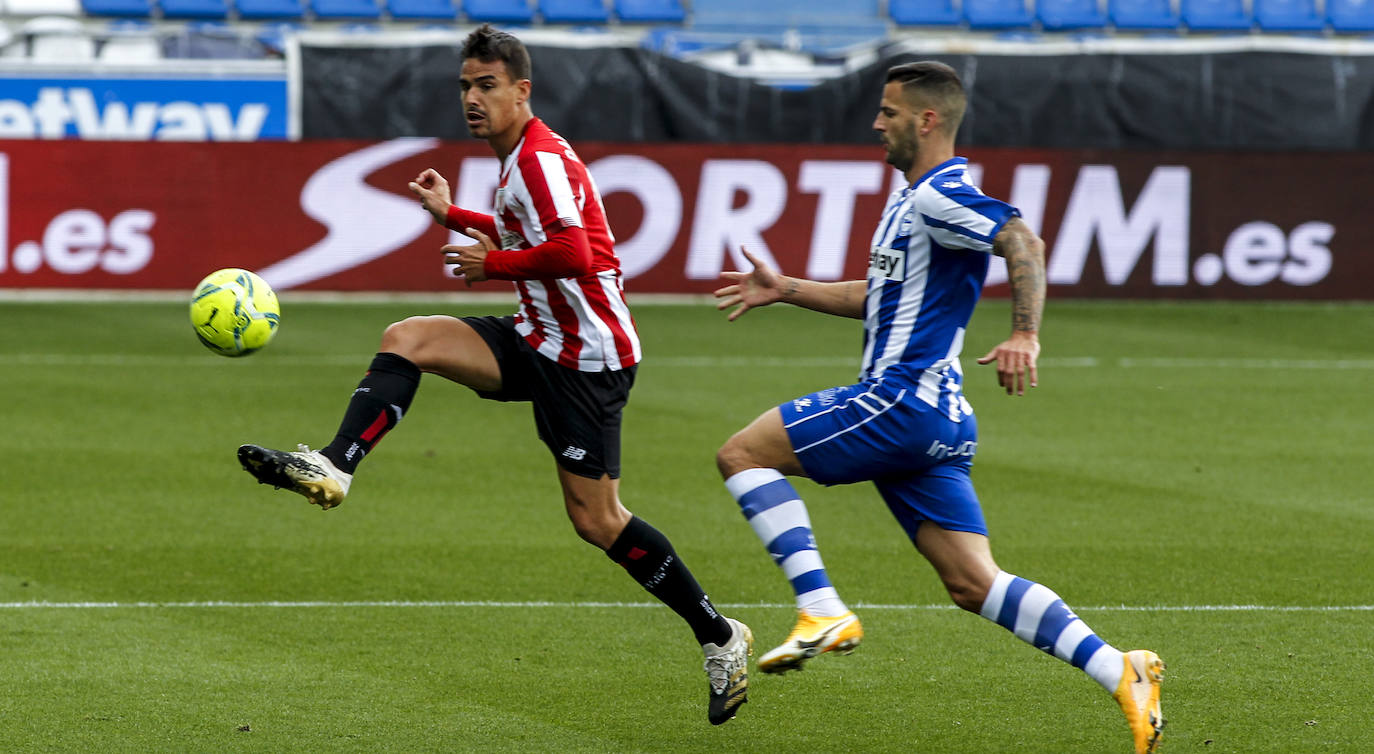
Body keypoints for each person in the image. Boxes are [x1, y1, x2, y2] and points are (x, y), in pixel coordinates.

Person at [237, 24, 752, 726]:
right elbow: (533, 234)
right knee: (408, 339)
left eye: (486, 86)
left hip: (586, 359)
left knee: (598, 521)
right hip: (535, 337)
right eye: (465, 87)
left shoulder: (538, 159)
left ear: (521, 90)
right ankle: (335, 466)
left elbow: (572, 252)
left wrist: (493, 264)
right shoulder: (514, 161)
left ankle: (720, 636)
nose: (472, 100)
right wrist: (457, 216)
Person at [712, 61, 1165, 753]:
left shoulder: (941, 195)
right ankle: (1120, 669)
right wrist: (789, 288)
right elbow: (880, 297)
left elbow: (1023, 241)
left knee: (742, 453)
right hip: (939, 419)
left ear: (927, 120)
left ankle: (820, 608)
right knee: (972, 582)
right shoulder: (910, 202)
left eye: (889, 112)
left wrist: (1024, 333)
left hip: (900, 401)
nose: (877, 123)